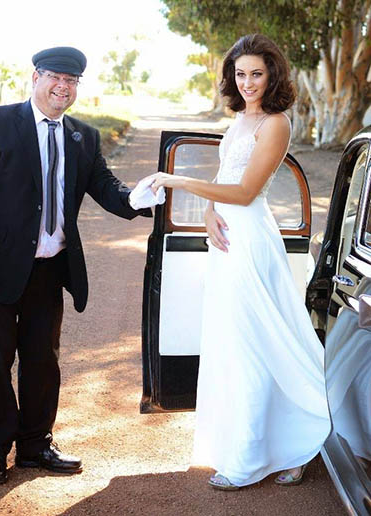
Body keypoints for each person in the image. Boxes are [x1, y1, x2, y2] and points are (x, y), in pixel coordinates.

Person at [0, 46, 162, 485]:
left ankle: (36, 445)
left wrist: (135, 200)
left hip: (49, 266)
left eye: (73, 80)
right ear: (36, 76)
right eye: (56, 77)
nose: (64, 87)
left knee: (43, 360)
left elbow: (104, 185)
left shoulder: (84, 136)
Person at [148, 34, 331, 489]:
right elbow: (226, 176)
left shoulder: (276, 124)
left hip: (250, 240)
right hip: (227, 240)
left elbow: (248, 192)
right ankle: (273, 443)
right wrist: (210, 211)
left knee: (255, 342)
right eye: (241, 73)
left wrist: (179, 181)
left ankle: (265, 453)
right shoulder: (239, 119)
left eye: (257, 73)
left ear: (273, 76)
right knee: (235, 343)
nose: (247, 82)